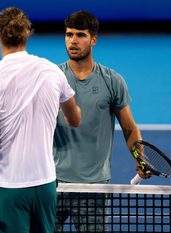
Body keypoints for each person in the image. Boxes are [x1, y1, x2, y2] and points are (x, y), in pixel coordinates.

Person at [0, 7, 81, 233]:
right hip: (46, 186)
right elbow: (75, 118)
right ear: (27, 34)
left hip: (8, 188)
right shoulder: (53, 71)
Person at [53, 11, 150, 232]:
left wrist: (140, 158)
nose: (73, 41)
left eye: (80, 35)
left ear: (93, 40)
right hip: (52, 183)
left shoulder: (112, 81)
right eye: (69, 35)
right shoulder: (52, 77)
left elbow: (129, 128)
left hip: (94, 188)